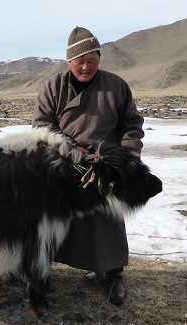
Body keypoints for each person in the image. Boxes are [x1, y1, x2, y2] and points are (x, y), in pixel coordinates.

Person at [32, 27, 144, 306]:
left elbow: (131, 125)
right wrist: (71, 149)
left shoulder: (116, 86)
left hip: (104, 161)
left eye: (91, 60)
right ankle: (40, 271)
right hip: (63, 160)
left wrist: (124, 161)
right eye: (79, 61)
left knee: (107, 213)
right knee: (50, 216)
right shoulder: (53, 86)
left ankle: (112, 271)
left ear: (99, 58)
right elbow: (42, 126)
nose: (85, 66)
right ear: (69, 62)